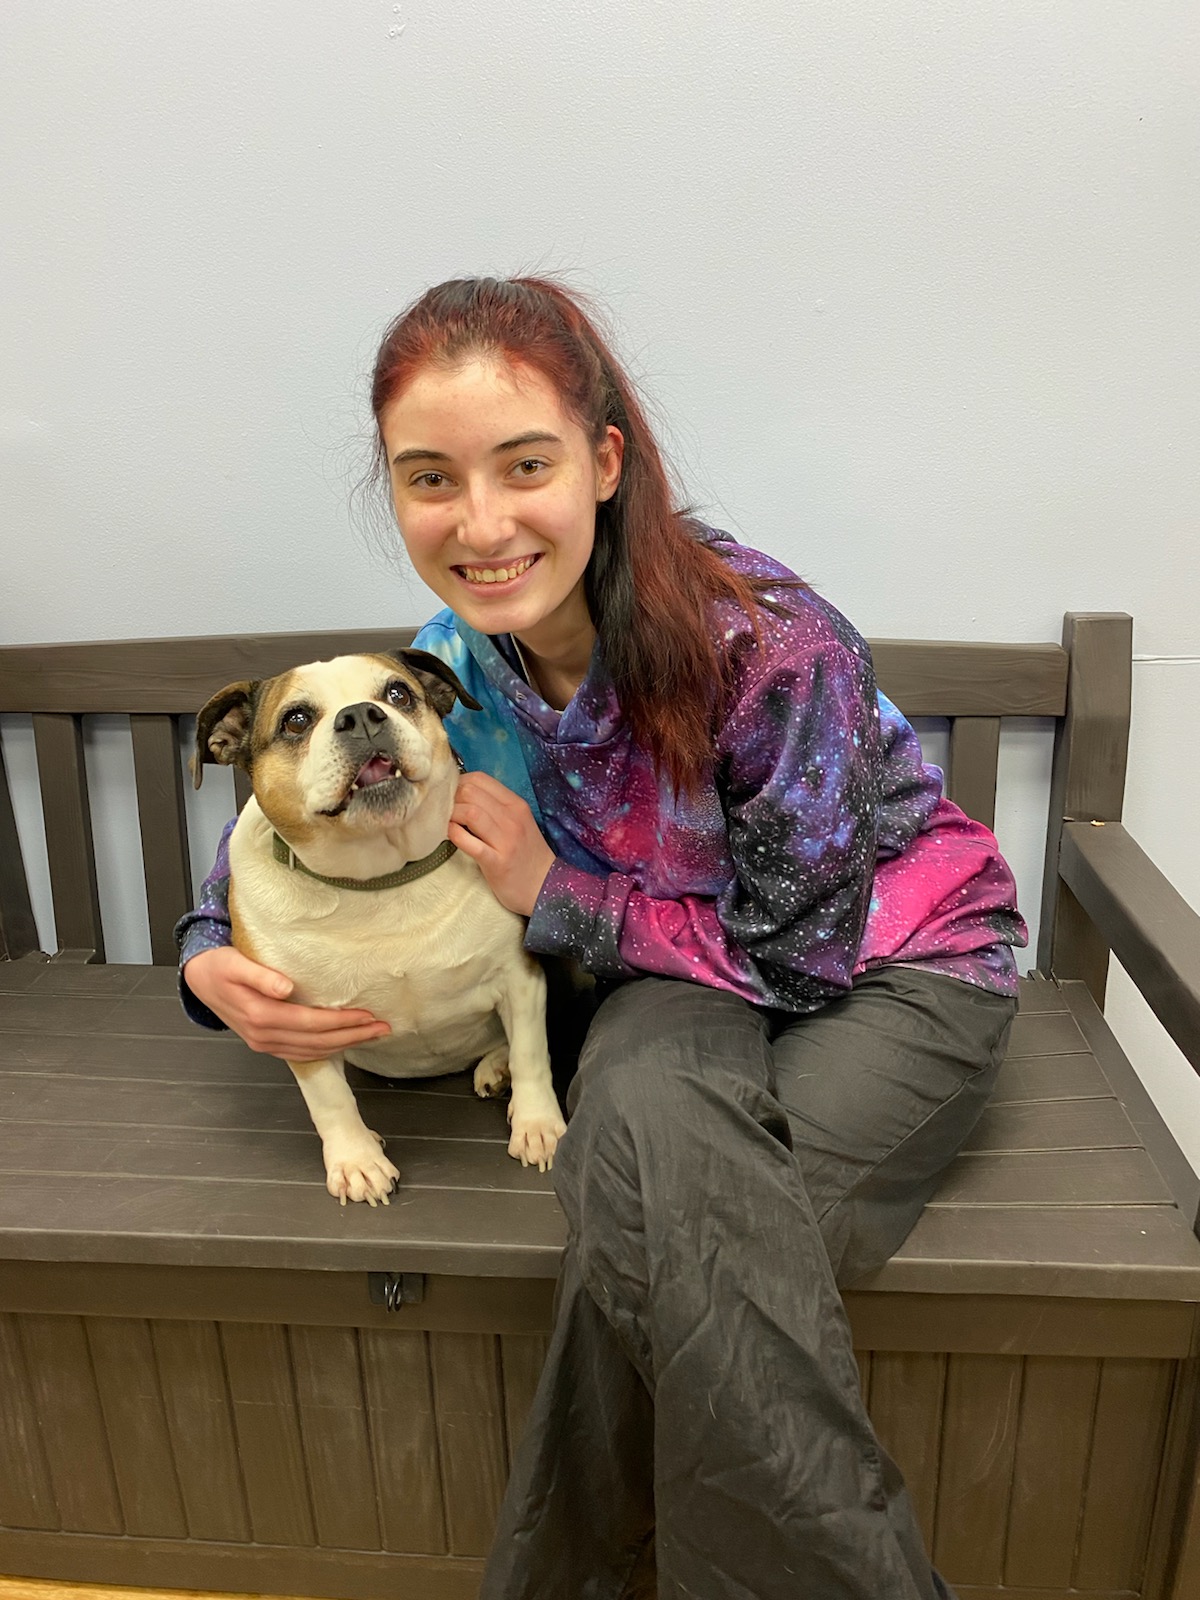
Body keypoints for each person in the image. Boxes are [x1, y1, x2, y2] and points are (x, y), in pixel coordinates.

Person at [178, 275, 1026, 1599]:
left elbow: (799, 958)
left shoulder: (768, 646)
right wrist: (199, 948)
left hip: (892, 970)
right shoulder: (458, 657)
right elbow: (301, 793)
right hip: (668, 972)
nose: (482, 521)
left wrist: (554, 899)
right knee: (679, 1211)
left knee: (678, 1227)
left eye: (526, 466)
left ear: (605, 461)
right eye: (431, 479)